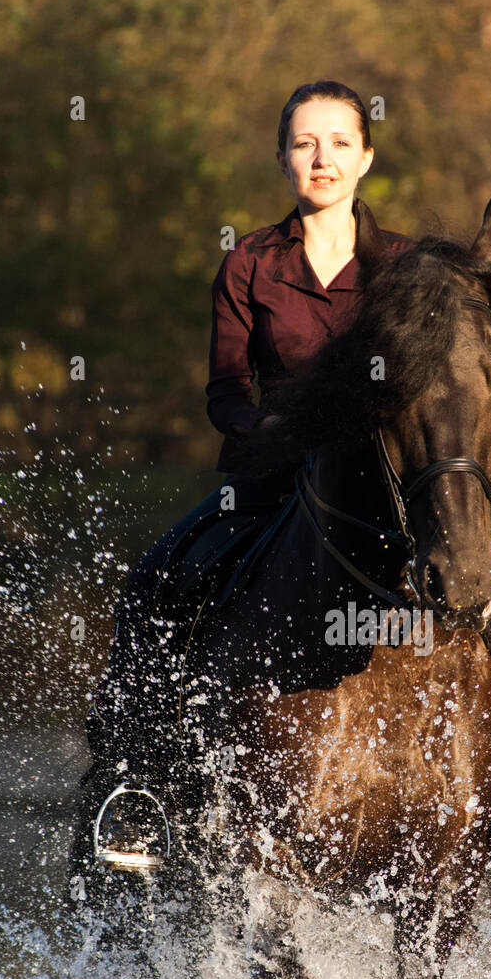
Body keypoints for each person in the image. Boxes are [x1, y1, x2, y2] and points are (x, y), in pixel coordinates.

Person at [87, 81, 415, 870]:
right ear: (282, 159)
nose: (322, 159)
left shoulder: (407, 269)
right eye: (305, 144)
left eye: (339, 142)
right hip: (271, 483)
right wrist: (273, 433)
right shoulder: (249, 263)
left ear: (367, 158)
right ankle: (136, 788)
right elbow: (225, 392)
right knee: (159, 580)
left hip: (387, 491)